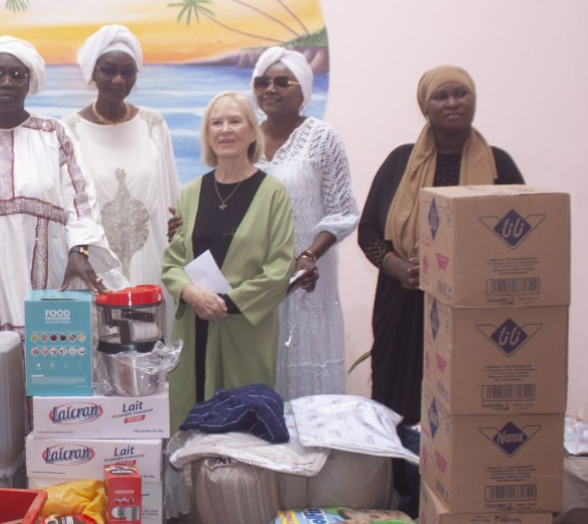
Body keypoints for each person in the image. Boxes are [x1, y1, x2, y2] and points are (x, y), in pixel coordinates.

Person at [0, 35, 123, 334]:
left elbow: (81, 203)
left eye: (17, 75)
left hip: (54, 279)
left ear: (29, 82)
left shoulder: (54, 135)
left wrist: (79, 251)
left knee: (54, 371)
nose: (7, 82)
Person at [358, 65, 524, 425]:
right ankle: (400, 477)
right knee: (397, 399)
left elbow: (521, 239)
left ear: (473, 100)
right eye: (441, 96)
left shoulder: (499, 165)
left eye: (460, 94)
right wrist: (396, 266)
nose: (452, 103)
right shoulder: (400, 162)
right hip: (403, 302)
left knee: (462, 400)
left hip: (472, 306)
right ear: (425, 106)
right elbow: (368, 231)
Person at [162, 91, 295, 428]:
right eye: (216, 122)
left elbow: (280, 267)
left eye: (235, 121)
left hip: (244, 330)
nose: (225, 129)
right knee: (192, 422)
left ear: (252, 132)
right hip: (195, 326)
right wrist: (191, 293)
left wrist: (227, 303)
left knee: (245, 424)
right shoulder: (192, 193)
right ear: (208, 134)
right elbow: (173, 262)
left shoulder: (273, 194)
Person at [250, 47, 360, 400]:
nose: (271, 89)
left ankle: (312, 449)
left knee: (305, 365)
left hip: (307, 279)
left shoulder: (322, 139)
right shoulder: (245, 139)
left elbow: (343, 210)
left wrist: (309, 255)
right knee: (257, 369)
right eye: (262, 81)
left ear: (303, 90)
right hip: (256, 278)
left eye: (283, 81)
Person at [61, 25, 179, 295]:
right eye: (109, 70)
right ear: (93, 72)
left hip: (153, 257)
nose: (118, 80)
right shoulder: (69, 131)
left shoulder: (154, 124)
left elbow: (173, 198)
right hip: (98, 263)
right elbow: (68, 208)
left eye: (127, 71)